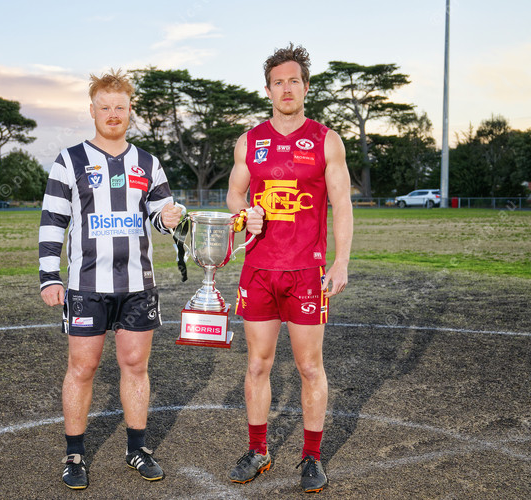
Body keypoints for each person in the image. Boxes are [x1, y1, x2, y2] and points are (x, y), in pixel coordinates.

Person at [39, 69, 182, 490]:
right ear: (92, 110)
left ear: (130, 110)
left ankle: (137, 449)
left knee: (136, 366)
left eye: (120, 107)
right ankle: (75, 454)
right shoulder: (69, 160)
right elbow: (52, 221)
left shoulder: (148, 163)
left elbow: (160, 218)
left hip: (138, 285)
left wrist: (169, 216)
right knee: (82, 368)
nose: (113, 113)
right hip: (87, 286)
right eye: (105, 107)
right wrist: (49, 276)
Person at [226, 43, 353, 494]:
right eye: (278, 82)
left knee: (310, 367)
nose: (286, 89)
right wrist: (244, 212)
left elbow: (342, 203)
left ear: (305, 87)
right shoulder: (250, 141)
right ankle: (258, 450)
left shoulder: (326, 140)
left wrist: (341, 261)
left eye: (293, 81)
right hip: (259, 269)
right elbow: (234, 194)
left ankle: (312, 456)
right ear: (268, 90)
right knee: (257, 364)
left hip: (306, 271)